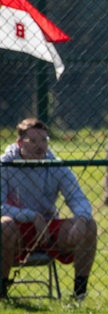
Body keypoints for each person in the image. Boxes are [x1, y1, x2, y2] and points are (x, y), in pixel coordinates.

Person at [1, 118, 97, 300]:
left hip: (47, 228)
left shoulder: (55, 165)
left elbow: (77, 198)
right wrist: (30, 216)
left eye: (44, 140)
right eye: (33, 141)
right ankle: (2, 292)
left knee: (89, 226)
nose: (40, 146)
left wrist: (82, 218)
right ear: (20, 143)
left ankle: (79, 295)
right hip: (16, 228)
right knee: (4, 226)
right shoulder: (4, 165)